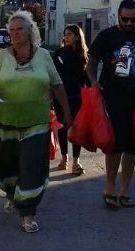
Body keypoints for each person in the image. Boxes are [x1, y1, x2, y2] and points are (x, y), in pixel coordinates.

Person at [0, 10, 72, 233]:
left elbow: (57, 85)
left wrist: (67, 112)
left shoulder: (43, 55)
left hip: (37, 122)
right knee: (6, 169)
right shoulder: (1, 56)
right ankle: (13, 196)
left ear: (30, 30)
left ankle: (28, 213)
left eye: (19, 29)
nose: (14, 33)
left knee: (32, 167)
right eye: (11, 30)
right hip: (5, 122)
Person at [86, 0, 135, 209]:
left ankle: (125, 190)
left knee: (132, 146)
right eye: (124, 19)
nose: (128, 23)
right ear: (117, 16)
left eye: (132, 20)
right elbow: (91, 63)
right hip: (111, 96)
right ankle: (109, 187)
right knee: (114, 144)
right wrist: (92, 81)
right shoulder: (106, 36)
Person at [52, 24, 90, 175]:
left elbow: (87, 77)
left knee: (76, 128)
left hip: (78, 96)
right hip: (61, 95)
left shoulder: (84, 55)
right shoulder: (59, 53)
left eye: (69, 34)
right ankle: (64, 158)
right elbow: (54, 75)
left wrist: (93, 91)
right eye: (65, 34)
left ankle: (76, 161)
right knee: (62, 126)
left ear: (77, 36)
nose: (66, 37)